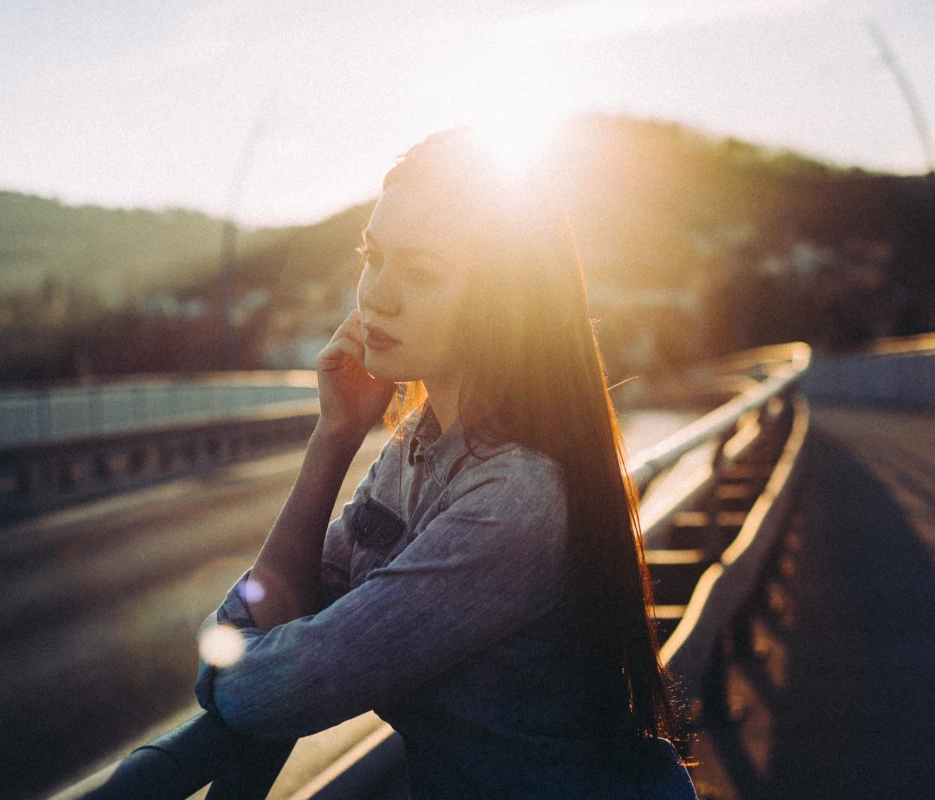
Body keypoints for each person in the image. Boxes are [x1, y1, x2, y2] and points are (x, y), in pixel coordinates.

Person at [194, 128, 697, 798]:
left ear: (502, 298)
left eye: (421, 273)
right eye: (372, 256)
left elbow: (263, 691)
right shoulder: (417, 450)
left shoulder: (515, 500)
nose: (377, 295)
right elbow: (281, 608)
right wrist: (334, 436)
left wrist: (231, 655)